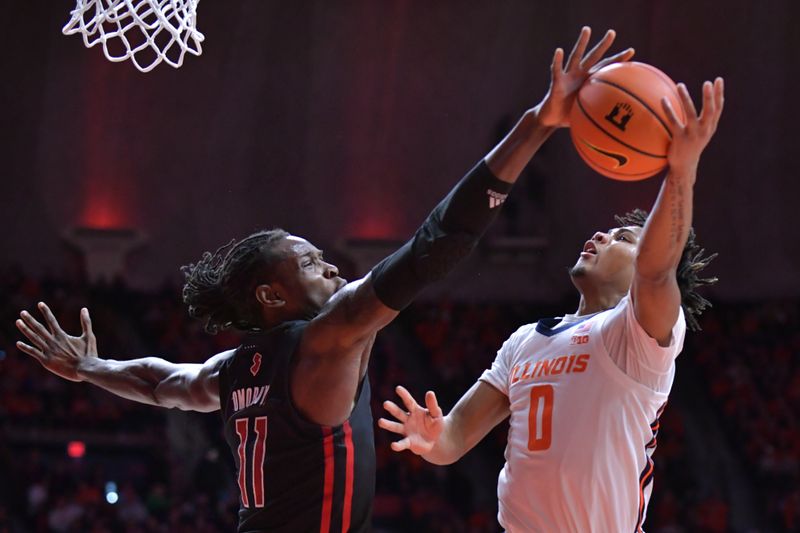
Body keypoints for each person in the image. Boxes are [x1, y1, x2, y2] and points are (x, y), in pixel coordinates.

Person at [16, 27, 633, 532]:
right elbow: (436, 243)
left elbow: (161, 383)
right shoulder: (327, 341)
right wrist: (537, 124)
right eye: (310, 263)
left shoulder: (233, 371)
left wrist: (91, 369)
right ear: (270, 295)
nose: (333, 267)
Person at [378, 38, 725, 533]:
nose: (602, 234)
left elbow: (656, 269)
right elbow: (454, 438)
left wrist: (680, 172)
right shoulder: (524, 339)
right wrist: (433, 438)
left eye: (624, 237)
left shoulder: (638, 339)